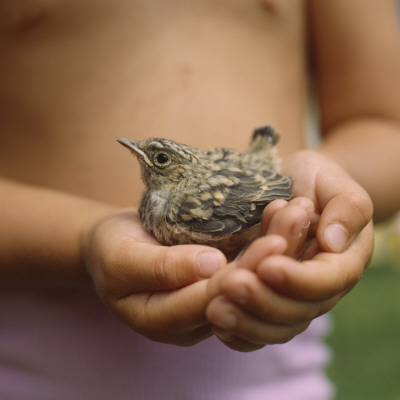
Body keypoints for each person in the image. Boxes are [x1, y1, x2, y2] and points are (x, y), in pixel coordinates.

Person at [0, 0, 399, 398]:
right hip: (33, 372)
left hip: (269, 379)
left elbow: (386, 126)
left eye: (158, 159)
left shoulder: (187, 208)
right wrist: (84, 239)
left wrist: (323, 191)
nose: (144, 156)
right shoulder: (160, 207)